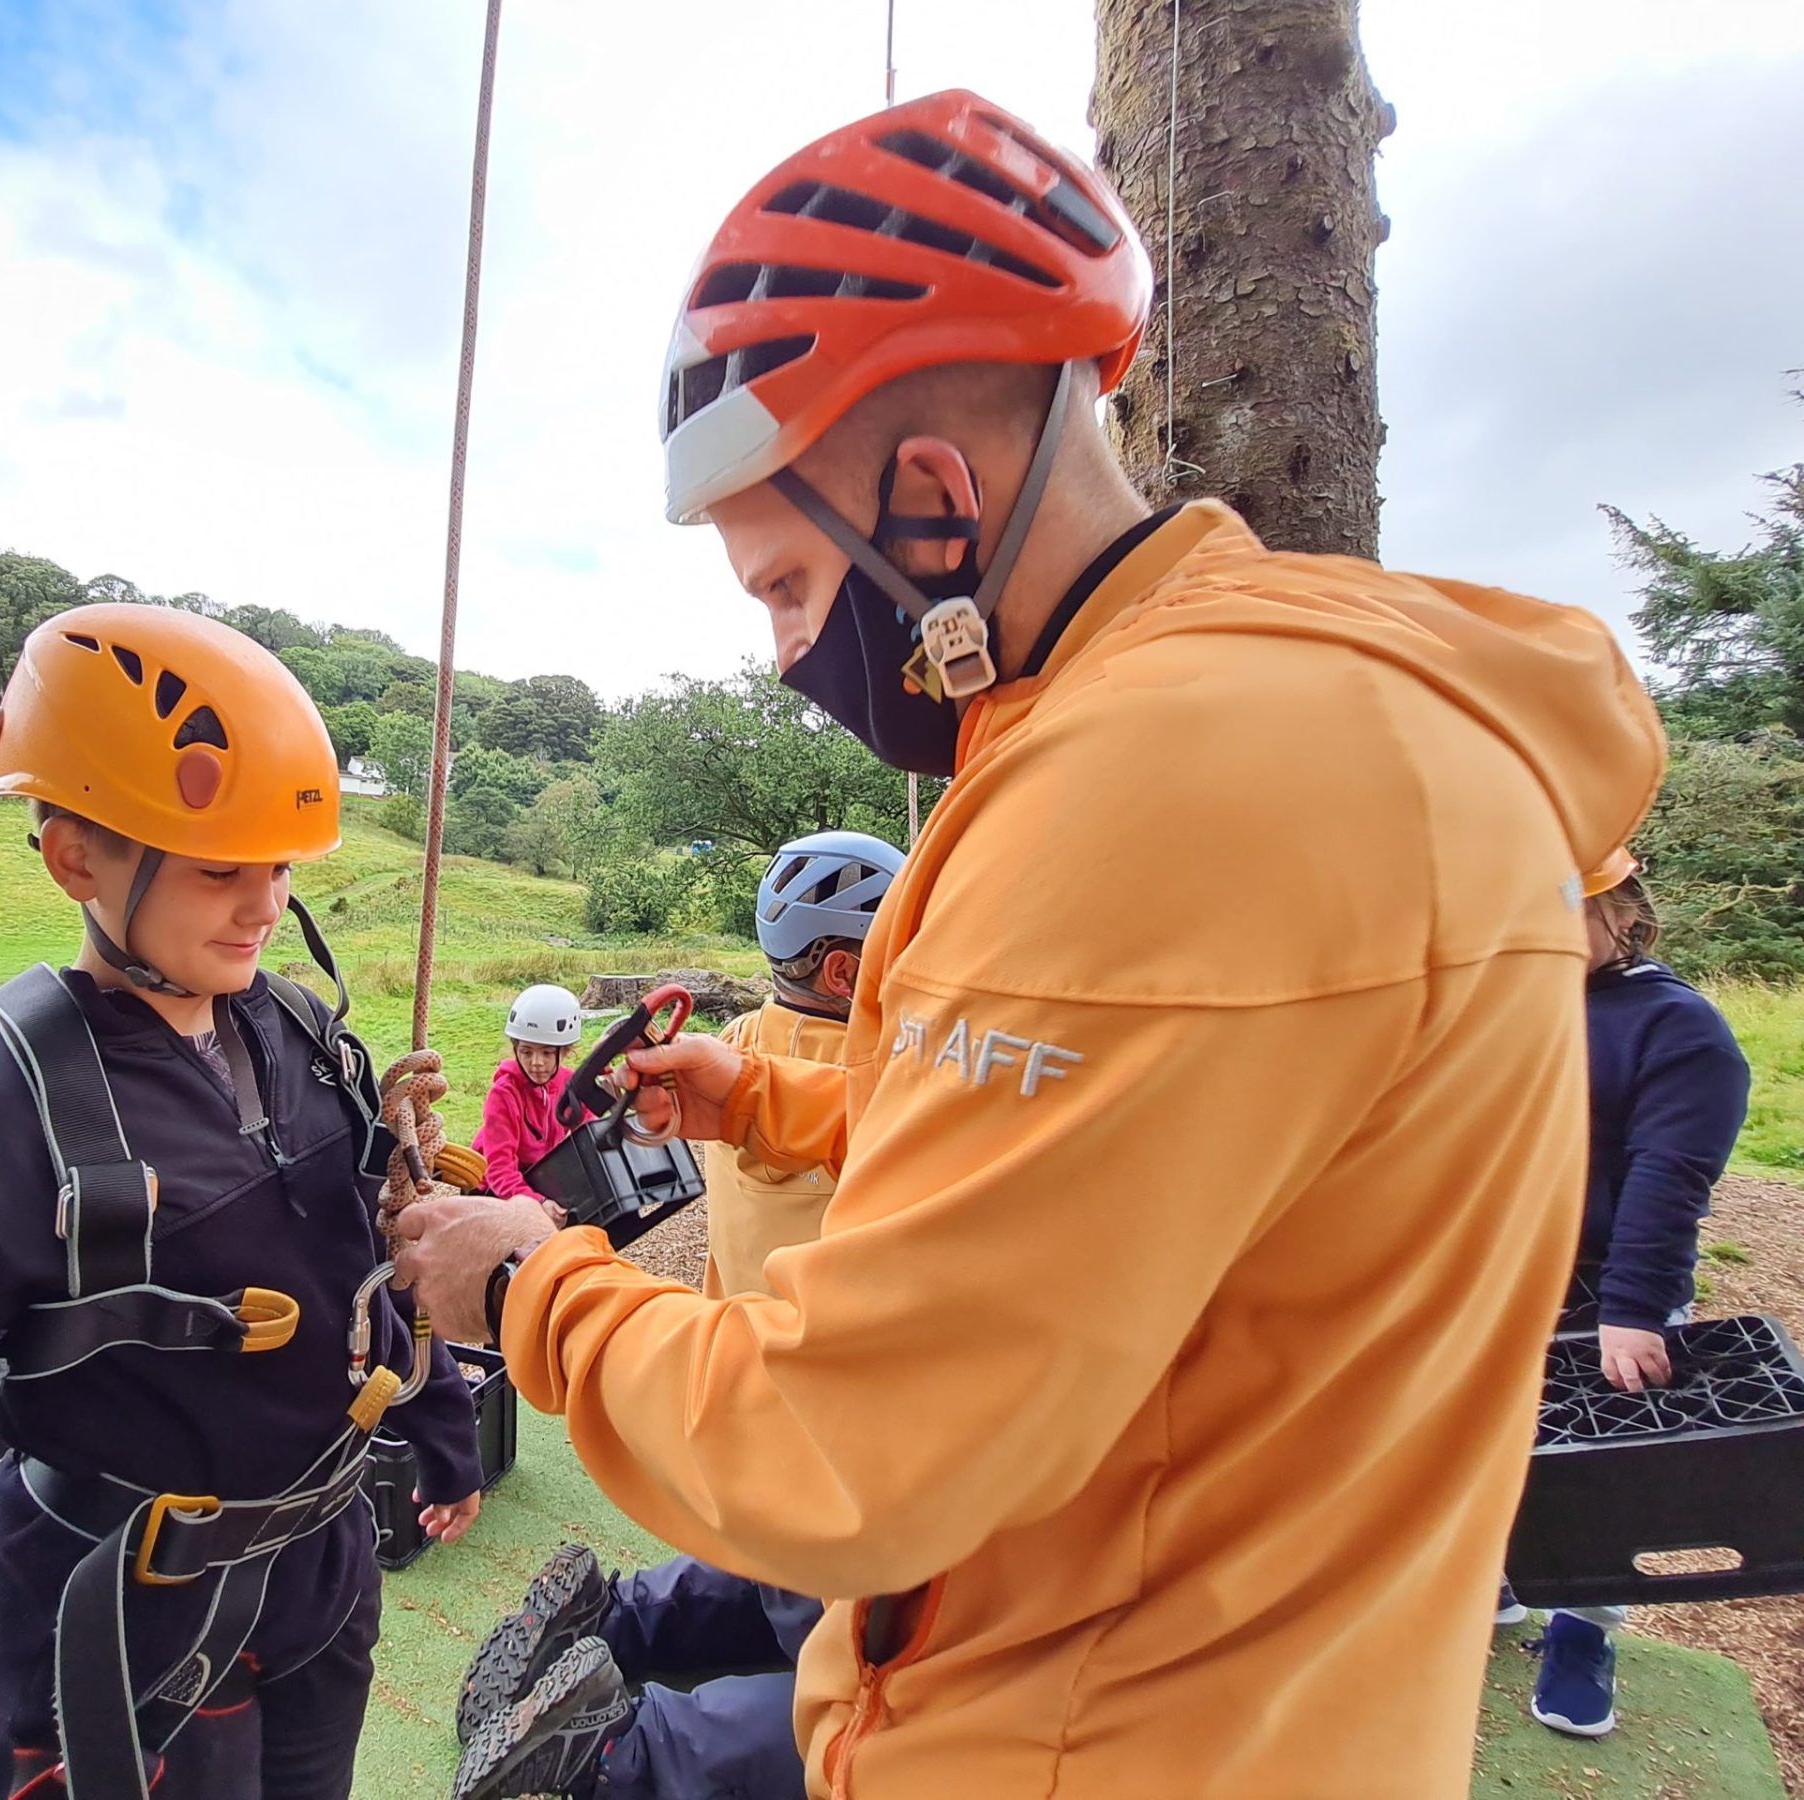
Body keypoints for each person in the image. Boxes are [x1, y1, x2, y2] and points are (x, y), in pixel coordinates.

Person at [396, 89, 1667, 1800]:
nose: (784, 655)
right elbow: (1156, 1160)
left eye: (782, 587)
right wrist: (777, 1108)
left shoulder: (1149, 783)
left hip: (1081, 1734)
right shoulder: (1366, 731)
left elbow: (849, 1453)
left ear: (931, 498)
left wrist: (528, 1285)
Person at [0, 605, 483, 1800]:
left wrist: (441, 1431)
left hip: (322, 1586)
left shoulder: (298, 1036)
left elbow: (368, 1268)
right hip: (127, 1638)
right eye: (218, 869)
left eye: (280, 868)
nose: (261, 905)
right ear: (77, 858)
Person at [453, 832, 903, 1800]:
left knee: (768, 1571)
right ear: (843, 966)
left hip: (736, 1400)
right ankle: (624, 1755)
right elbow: (921, 1110)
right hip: (827, 1427)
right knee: (884, 1703)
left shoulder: (736, 1053)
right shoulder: (889, 1085)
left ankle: (616, 1618)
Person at [1525, 847, 1750, 1739]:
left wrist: (1633, 1310)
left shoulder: (1677, 1027)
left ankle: (1585, 1629)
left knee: (1605, 1469)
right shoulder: (1518, 1011)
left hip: (1603, 1287)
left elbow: (1669, 1176)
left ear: (1621, 913)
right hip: (1507, 1280)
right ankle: (1505, 1584)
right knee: (1501, 1450)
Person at [472, 984, 586, 1200]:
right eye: (526, 1052)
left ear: (565, 1051)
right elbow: (499, 1169)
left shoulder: (569, 1085)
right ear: (515, 1049)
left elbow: (591, 1133)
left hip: (538, 1179)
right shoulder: (504, 1094)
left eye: (546, 1053)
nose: (536, 1063)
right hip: (493, 1190)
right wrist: (539, 1204)